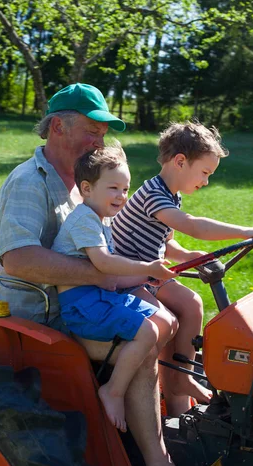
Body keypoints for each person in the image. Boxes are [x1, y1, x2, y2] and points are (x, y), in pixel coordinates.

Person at [0, 83, 188, 466]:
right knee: (143, 341)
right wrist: (107, 277)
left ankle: (171, 422)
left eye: (102, 134)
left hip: (84, 299)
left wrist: (152, 267)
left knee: (170, 317)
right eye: (92, 130)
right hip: (43, 313)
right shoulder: (30, 182)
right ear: (57, 128)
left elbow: (109, 240)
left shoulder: (85, 181)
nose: (99, 141)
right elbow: (19, 259)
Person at [112, 120, 253, 416]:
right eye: (205, 173)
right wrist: (246, 230)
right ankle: (160, 384)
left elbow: (165, 241)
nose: (206, 181)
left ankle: (181, 382)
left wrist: (185, 254)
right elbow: (192, 225)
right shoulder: (153, 194)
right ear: (180, 161)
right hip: (127, 278)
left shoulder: (170, 193)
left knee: (193, 303)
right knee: (168, 320)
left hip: (150, 274)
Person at [52, 145, 178, 433]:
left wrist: (145, 280)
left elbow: (109, 275)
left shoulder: (101, 220)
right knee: (148, 330)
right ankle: (114, 391)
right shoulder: (84, 219)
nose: (122, 196)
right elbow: (104, 263)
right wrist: (147, 267)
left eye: (126, 189)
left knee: (165, 321)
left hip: (99, 296)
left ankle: (147, 386)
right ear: (86, 188)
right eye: (113, 188)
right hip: (81, 305)